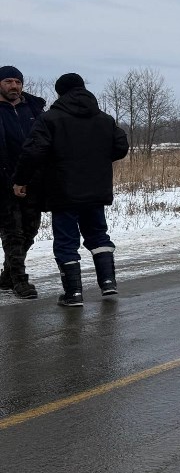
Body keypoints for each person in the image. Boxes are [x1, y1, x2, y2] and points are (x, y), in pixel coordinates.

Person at [13, 73, 128, 307]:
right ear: (83, 89)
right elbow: (121, 147)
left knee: (66, 241)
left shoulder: (50, 119)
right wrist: (97, 160)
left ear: (59, 93)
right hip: (96, 190)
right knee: (98, 235)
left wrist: (20, 180)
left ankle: (73, 294)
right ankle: (108, 282)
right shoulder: (104, 119)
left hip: (63, 191)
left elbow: (34, 151)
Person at [0, 65, 46, 299]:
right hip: (3, 181)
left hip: (32, 180)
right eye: (8, 81)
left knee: (30, 230)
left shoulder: (35, 108)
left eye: (17, 82)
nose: (14, 86)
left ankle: (7, 274)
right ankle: (20, 281)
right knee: (12, 232)